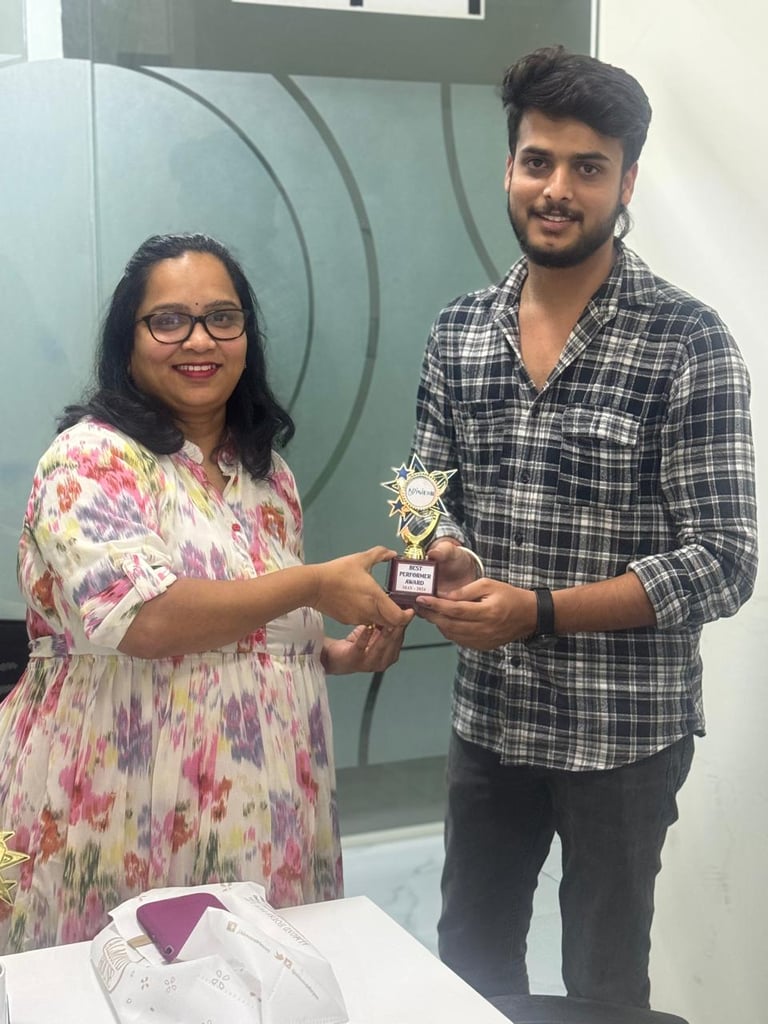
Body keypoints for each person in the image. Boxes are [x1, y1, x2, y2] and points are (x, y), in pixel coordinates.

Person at [411, 47, 758, 1008]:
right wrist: (439, 549)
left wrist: (542, 611)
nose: (556, 189)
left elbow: (725, 562)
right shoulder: (458, 332)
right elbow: (421, 489)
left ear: (626, 182)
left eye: (587, 167)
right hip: (490, 719)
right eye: (538, 161)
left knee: (604, 988)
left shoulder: (687, 340)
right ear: (510, 168)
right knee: (467, 966)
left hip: (624, 735)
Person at [0, 232, 412, 954]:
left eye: (223, 318)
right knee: (119, 982)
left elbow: (252, 627)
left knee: (265, 980)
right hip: (119, 801)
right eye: (169, 320)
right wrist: (316, 583)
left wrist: (335, 652)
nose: (199, 340)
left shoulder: (267, 476)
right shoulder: (92, 457)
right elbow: (148, 621)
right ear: (128, 341)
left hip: (272, 807)